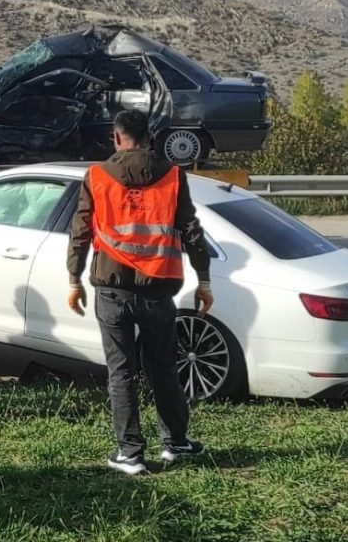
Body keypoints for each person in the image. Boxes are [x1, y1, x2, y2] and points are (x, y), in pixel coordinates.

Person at [66, 109, 214, 476]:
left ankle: (130, 453)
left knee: (121, 372)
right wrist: (205, 279)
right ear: (149, 138)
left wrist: (74, 278)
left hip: (112, 290)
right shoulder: (174, 176)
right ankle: (176, 441)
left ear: (116, 138)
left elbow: (81, 230)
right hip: (157, 291)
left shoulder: (97, 176)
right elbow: (192, 231)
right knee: (163, 367)